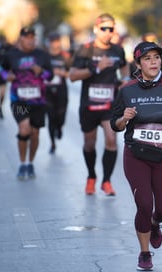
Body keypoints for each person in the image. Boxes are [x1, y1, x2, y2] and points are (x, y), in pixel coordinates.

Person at [110, 41, 162, 271]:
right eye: (147, 58)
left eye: (156, 57)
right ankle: (144, 253)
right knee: (144, 204)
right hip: (136, 155)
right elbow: (114, 124)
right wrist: (124, 118)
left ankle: (155, 224)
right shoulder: (126, 90)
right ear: (138, 64)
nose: (153, 62)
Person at [69, 13, 129, 196]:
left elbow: (124, 66)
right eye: (104, 28)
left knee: (112, 140)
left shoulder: (118, 50)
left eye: (111, 29)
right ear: (96, 29)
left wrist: (125, 79)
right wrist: (96, 68)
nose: (107, 32)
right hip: (89, 105)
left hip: (110, 105)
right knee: (89, 143)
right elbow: (72, 76)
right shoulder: (85, 49)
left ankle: (107, 181)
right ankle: (91, 176)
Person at [1, 26, 53, 180]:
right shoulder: (11, 55)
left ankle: (31, 162)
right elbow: (2, 70)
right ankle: (22, 163)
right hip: (19, 101)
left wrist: (42, 72)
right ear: (21, 38)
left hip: (38, 101)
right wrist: (7, 76)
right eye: (27, 37)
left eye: (32, 37)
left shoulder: (42, 55)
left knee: (35, 133)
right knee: (24, 130)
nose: (30, 40)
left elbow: (50, 75)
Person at [44, 32, 71, 154]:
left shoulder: (65, 56)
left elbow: (72, 74)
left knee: (60, 115)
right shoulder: (44, 56)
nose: (55, 44)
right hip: (47, 90)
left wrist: (61, 73)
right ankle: (52, 143)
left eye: (57, 41)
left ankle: (59, 127)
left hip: (61, 89)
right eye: (53, 41)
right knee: (50, 116)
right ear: (49, 42)